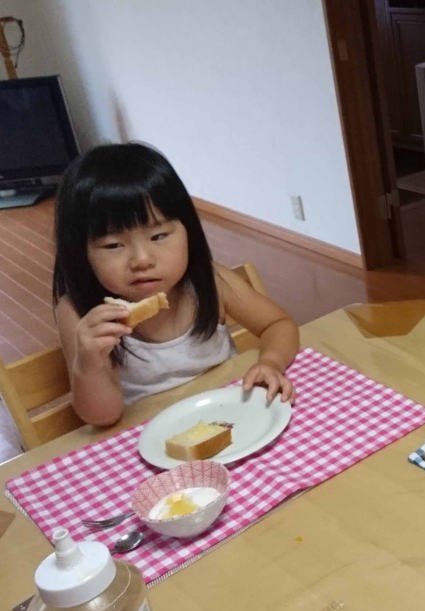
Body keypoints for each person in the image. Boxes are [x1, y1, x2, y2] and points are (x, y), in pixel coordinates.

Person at [52, 142, 299, 427]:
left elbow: (278, 324)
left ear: (188, 232)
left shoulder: (209, 281)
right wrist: (89, 363)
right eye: (113, 245)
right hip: (147, 434)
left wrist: (270, 362)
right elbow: (102, 416)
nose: (142, 260)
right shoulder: (79, 312)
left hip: (233, 416)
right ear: (80, 253)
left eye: (158, 236)